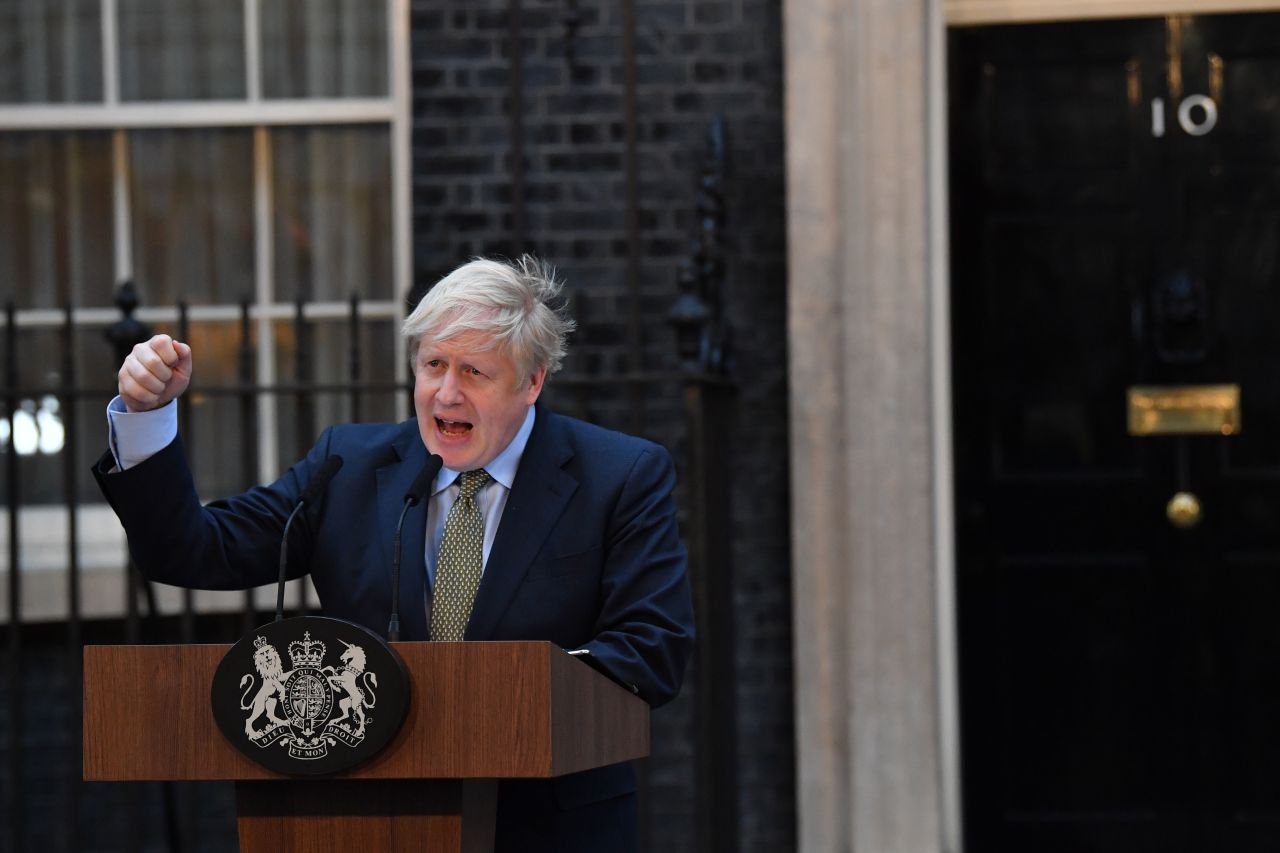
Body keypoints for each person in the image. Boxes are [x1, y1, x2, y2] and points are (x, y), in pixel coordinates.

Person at [92, 256, 696, 853]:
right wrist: (147, 418)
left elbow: (653, 645)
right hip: (366, 819)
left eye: (474, 372)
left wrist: (516, 690)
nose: (446, 393)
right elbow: (192, 552)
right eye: (433, 365)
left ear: (532, 381)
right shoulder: (348, 467)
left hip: (552, 827)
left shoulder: (619, 476)